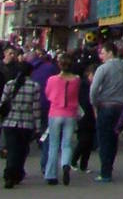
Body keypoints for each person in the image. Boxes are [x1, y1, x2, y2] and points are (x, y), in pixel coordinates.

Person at [89, 42, 123, 182]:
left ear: (110, 52)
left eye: (102, 53)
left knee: (104, 139)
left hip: (105, 106)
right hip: (120, 107)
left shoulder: (103, 68)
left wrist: (94, 103)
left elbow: (94, 88)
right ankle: (109, 167)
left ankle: (105, 172)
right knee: (113, 139)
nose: (100, 56)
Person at [1, 62, 44, 188]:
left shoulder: (9, 84)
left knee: (11, 149)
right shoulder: (34, 86)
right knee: (22, 150)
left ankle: (9, 173)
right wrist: (38, 127)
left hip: (10, 121)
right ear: (31, 72)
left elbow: (2, 102)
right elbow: (36, 108)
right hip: (26, 123)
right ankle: (16, 173)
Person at [44, 55, 81, 185]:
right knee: (67, 144)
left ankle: (51, 174)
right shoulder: (76, 80)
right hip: (70, 114)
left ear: (59, 65)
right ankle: (65, 164)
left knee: (53, 145)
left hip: (55, 112)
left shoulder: (52, 79)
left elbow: (48, 94)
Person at [72, 63, 96, 172]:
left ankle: (83, 165)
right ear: (89, 74)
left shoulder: (94, 86)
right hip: (83, 115)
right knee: (83, 140)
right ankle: (74, 160)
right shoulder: (83, 85)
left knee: (89, 142)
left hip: (91, 116)